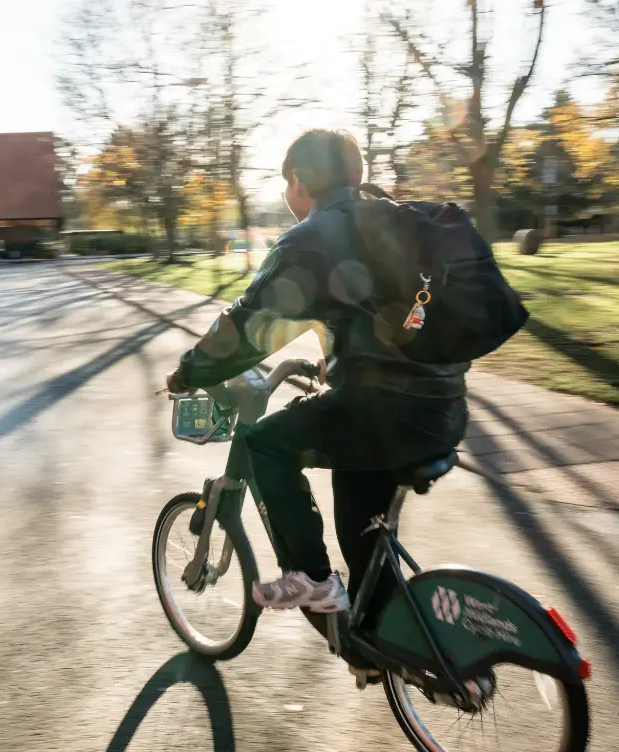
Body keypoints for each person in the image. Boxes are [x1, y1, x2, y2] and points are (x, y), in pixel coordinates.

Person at [166, 129, 468, 619]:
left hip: (382, 415)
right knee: (362, 533)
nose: (287, 196)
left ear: (302, 180)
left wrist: (190, 370)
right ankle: (383, 647)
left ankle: (310, 575)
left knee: (265, 443)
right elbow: (379, 309)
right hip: (443, 408)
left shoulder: (313, 237)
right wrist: (339, 357)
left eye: (288, 183)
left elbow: (251, 327)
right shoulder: (391, 221)